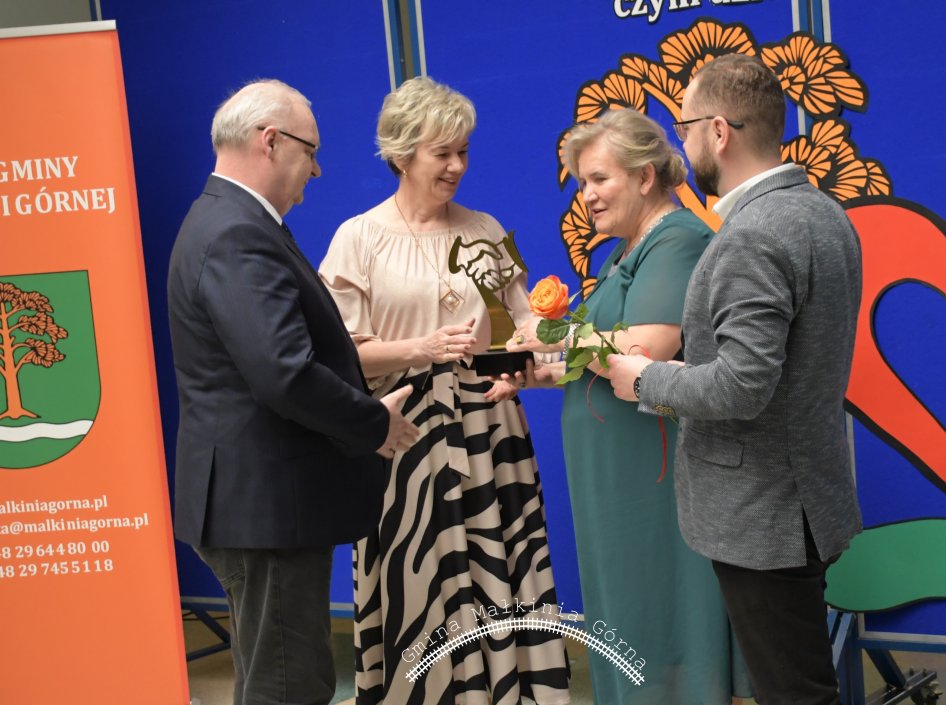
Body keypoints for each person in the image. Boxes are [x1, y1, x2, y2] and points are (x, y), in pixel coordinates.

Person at [607, 54, 864, 705]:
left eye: (686, 126)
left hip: (765, 514)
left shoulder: (752, 235)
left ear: (718, 131)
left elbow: (742, 387)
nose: (682, 143)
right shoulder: (824, 213)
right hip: (804, 501)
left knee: (796, 694)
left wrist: (647, 380)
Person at [317, 76, 570, 705]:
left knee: (498, 571)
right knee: (418, 575)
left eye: (463, 151)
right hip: (403, 435)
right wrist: (421, 349)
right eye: (442, 153)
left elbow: (522, 323)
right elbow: (340, 356)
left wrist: (547, 333)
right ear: (402, 154)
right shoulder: (359, 237)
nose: (457, 165)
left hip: (490, 432)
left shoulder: (485, 228)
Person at [167, 79, 419, 705]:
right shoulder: (238, 232)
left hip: (257, 504)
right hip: (266, 507)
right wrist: (373, 423)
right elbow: (283, 372)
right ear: (271, 141)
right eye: (311, 151)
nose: (317, 168)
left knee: (274, 678)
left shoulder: (227, 220)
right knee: (289, 685)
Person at [505, 108, 752, 705]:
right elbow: (601, 358)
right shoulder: (625, 251)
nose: (587, 196)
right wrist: (542, 374)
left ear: (645, 177)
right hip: (618, 477)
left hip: (653, 475)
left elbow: (646, 350)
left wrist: (555, 334)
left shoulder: (678, 239)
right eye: (582, 182)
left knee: (659, 609)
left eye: (599, 179)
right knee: (629, 609)